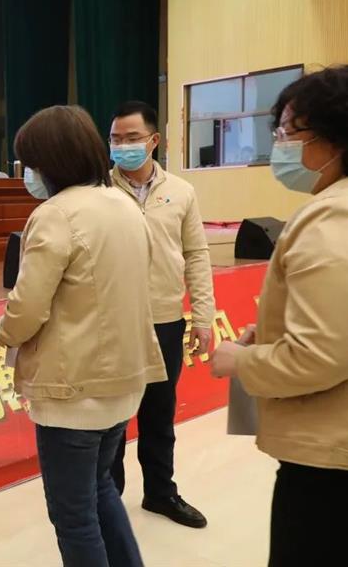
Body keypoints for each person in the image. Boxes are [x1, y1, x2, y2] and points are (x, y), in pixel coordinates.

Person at [0, 105, 165, 567]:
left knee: (74, 517)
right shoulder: (124, 205)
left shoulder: (56, 214)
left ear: (50, 162)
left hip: (73, 391)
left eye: (30, 163)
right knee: (100, 489)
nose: (28, 174)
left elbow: (27, 308)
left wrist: (2, 332)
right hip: (123, 382)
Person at [210, 65, 348, 567]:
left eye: (290, 131)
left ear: (334, 138)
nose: (280, 145)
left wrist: (241, 361)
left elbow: (321, 354)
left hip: (329, 460)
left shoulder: (332, 216)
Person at [108, 101, 214, 529]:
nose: (123, 146)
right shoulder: (98, 189)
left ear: (153, 140)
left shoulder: (181, 191)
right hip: (111, 321)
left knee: (159, 412)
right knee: (112, 416)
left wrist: (203, 315)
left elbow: (196, 254)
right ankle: (108, 497)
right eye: (116, 139)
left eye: (132, 138)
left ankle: (160, 493)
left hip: (166, 319)